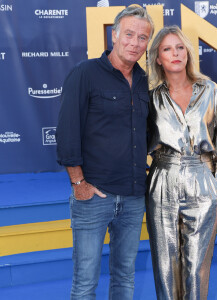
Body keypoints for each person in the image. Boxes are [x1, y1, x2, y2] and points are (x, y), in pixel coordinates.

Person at [56, 6, 154, 300]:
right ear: (114, 35)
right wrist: (78, 184)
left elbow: (147, 134)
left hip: (134, 196)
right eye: (129, 34)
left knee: (125, 277)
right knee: (85, 283)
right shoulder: (84, 73)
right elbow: (67, 131)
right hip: (93, 195)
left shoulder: (143, 81)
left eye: (142, 37)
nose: (135, 43)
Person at [146, 25, 217, 300]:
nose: (175, 54)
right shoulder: (149, 97)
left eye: (180, 47)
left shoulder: (211, 91)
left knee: (197, 269)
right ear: (158, 58)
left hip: (203, 180)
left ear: (188, 53)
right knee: (165, 268)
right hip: (162, 179)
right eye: (167, 49)